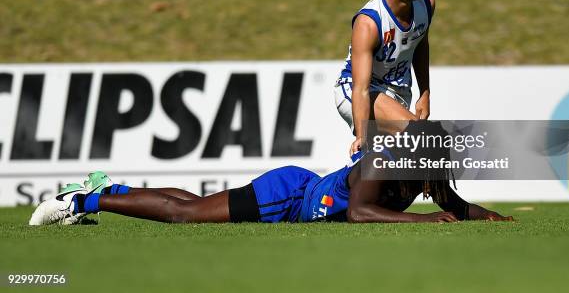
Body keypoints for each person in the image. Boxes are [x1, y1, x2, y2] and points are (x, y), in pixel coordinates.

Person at [30, 122, 513, 225]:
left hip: (298, 191)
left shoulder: (423, 171)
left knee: (199, 205)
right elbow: (360, 213)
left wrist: (487, 216)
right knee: (186, 216)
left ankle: (110, 190)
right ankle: (80, 201)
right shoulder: (382, 162)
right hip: (287, 198)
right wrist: (424, 222)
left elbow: (454, 206)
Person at [335, 0, 434, 154]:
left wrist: (424, 93)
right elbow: (361, 88)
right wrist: (362, 135)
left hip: (397, 93)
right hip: (358, 93)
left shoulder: (427, 4)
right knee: (421, 139)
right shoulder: (369, 23)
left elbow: (420, 44)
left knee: (407, 161)